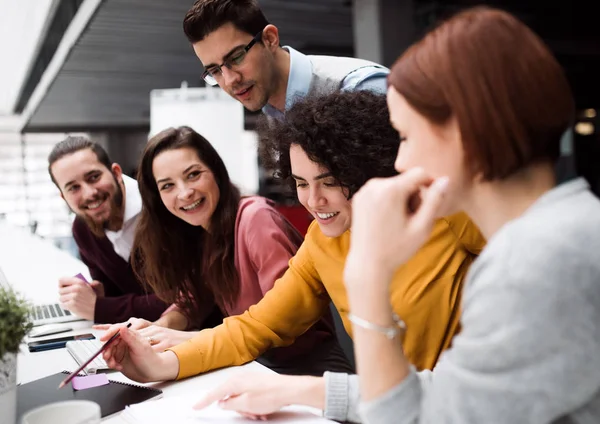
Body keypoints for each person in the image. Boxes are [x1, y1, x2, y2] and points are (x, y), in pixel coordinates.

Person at [100, 91, 486, 422]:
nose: (314, 201)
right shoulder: (321, 241)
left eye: (330, 181)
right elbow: (254, 327)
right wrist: (162, 365)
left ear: (367, 170)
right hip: (389, 409)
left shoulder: (441, 212)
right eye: (301, 183)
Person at [341, 7, 600, 423]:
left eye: (405, 136)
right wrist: (311, 390)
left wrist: (366, 274)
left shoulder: (531, 264)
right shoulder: (565, 227)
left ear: (463, 130)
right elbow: (465, 390)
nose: (401, 161)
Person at [99, 126, 351, 376]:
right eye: (167, 186)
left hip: (304, 367)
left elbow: (280, 324)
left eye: (193, 174)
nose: (185, 193)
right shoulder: (202, 231)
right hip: (258, 364)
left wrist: (187, 340)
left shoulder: (256, 218)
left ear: (216, 172)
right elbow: (193, 299)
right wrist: (158, 329)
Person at [182, 0, 389, 119]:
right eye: (215, 71)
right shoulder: (274, 114)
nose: (229, 80)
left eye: (236, 57)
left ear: (270, 39)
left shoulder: (360, 88)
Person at [48, 137, 168, 323]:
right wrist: (100, 295)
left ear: (116, 173)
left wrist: (100, 307)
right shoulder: (82, 228)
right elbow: (119, 294)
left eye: (94, 177)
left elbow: (186, 300)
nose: (89, 194)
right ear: (64, 197)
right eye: (74, 188)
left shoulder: (163, 207)